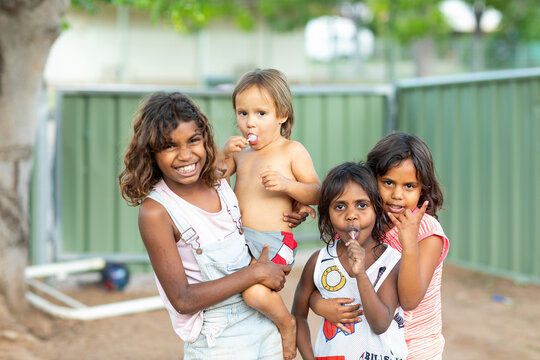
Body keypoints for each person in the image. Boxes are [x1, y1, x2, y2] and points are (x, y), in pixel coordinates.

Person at [118, 91, 291, 359]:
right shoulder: (157, 211)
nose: (185, 155)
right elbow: (183, 299)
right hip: (218, 338)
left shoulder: (218, 180)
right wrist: (254, 274)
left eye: (193, 141)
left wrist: (295, 208)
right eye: (169, 146)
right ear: (150, 152)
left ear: (205, 139)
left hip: (262, 318)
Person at [310, 132, 449, 359]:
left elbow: (409, 300)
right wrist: (318, 305)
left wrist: (409, 243)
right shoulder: (363, 223)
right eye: (388, 182)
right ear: (372, 179)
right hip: (366, 346)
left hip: (415, 349)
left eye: (409, 186)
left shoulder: (427, 232)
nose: (397, 195)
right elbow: (325, 279)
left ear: (422, 189)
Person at [220, 68, 321, 359]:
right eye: (243, 113)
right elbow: (214, 180)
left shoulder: (291, 151)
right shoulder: (240, 153)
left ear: (282, 115)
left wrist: (288, 186)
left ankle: (287, 324)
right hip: (241, 240)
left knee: (252, 293)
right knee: (232, 288)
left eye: (261, 113)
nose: (250, 122)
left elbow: (318, 192)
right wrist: (223, 153)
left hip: (274, 242)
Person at [292, 162, 407, 360]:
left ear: (376, 209)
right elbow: (298, 315)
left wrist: (360, 273)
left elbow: (380, 324)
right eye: (340, 206)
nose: (351, 215)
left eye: (362, 205)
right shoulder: (318, 262)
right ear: (327, 216)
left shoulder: (391, 261)